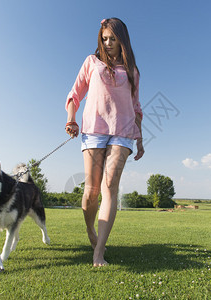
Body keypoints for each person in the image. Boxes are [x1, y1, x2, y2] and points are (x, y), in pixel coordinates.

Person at [65, 18, 144, 267]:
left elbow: (136, 107)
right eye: (104, 39)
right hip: (93, 131)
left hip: (123, 133)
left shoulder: (132, 71)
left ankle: (98, 251)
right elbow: (75, 94)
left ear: (122, 40)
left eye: (112, 39)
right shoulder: (92, 62)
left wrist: (139, 140)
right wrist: (71, 119)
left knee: (110, 187)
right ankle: (91, 232)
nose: (108, 43)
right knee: (92, 191)